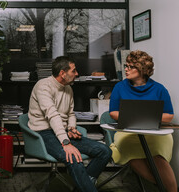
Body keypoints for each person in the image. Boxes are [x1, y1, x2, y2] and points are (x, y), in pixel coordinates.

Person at [28, 56, 112, 192]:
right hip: (44, 133)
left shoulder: (68, 88)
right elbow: (53, 115)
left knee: (105, 151)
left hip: (63, 131)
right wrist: (66, 143)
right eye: (74, 71)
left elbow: (70, 113)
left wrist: (71, 127)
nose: (77, 73)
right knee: (73, 157)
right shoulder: (43, 86)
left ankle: (83, 187)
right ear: (62, 73)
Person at [109, 50, 177, 192]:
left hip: (155, 133)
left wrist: (144, 117)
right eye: (126, 66)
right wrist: (136, 117)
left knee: (157, 156)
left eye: (130, 67)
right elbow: (113, 113)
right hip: (127, 132)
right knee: (133, 155)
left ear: (142, 69)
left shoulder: (159, 89)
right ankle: (163, 186)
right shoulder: (119, 87)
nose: (126, 70)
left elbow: (169, 115)